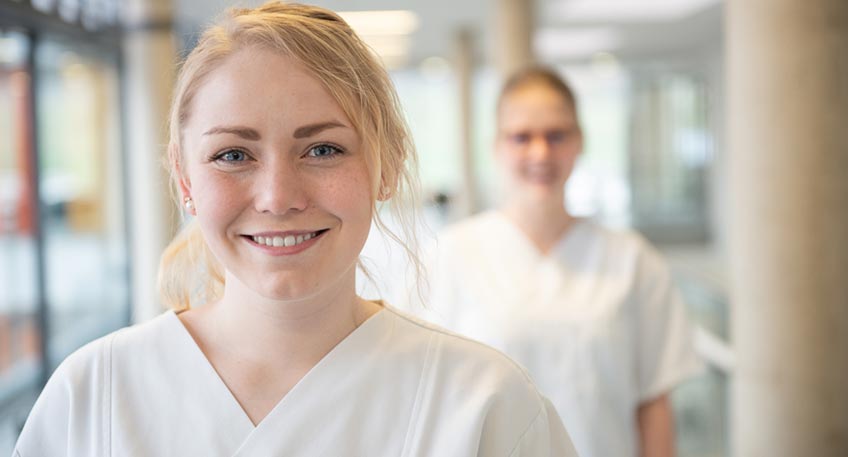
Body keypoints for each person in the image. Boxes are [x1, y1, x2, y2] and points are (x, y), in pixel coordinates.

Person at [13, 5, 578, 456]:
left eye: (323, 149)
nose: (279, 197)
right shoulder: (94, 396)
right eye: (233, 154)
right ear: (183, 178)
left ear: (389, 166)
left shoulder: (484, 405)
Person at [426, 67, 702, 457]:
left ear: (579, 142)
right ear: (497, 146)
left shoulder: (632, 260)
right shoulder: (449, 256)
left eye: (556, 135)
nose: (541, 152)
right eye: (521, 137)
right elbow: (428, 400)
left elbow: (653, 403)